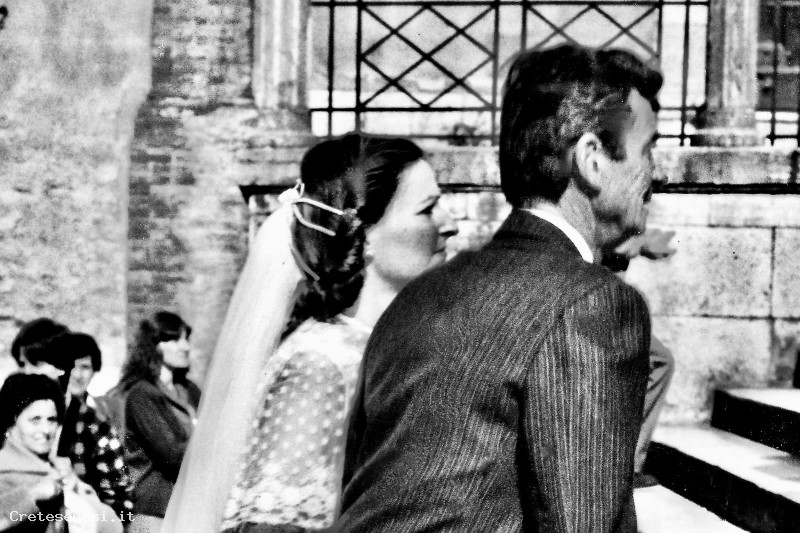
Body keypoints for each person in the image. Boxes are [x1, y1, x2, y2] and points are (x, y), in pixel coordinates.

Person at [337, 44, 662, 532]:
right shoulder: (592, 301)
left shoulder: (418, 296)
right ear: (592, 160)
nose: (657, 172)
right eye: (648, 149)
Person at [162, 133, 458, 533]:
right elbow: (270, 527)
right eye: (427, 209)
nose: (450, 223)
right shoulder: (318, 367)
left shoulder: (378, 344)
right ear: (365, 236)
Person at [0, 373, 121, 533]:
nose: (46, 430)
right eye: (35, 420)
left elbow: (112, 526)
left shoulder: (58, 470)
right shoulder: (4, 471)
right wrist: (32, 494)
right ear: (12, 421)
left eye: (51, 420)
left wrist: (76, 489)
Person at [603, 228, 677, 487]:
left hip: (605, 292)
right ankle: (624, 465)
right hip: (597, 294)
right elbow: (602, 238)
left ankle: (625, 464)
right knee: (658, 362)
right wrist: (641, 243)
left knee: (658, 361)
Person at [118, 311, 200, 533]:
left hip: (190, 504)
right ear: (154, 346)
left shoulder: (190, 391)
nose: (185, 347)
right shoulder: (141, 395)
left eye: (186, 339)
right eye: (174, 339)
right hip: (156, 510)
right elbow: (172, 454)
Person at [60, 333, 134, 519]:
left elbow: (119, 489)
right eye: (71, 366)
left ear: (95, 370)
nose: (77, 375)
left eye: (85, 367)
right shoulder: (44, 416)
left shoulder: (103, 416)